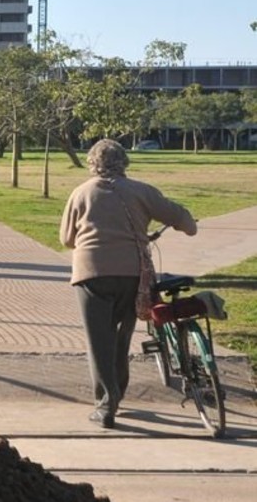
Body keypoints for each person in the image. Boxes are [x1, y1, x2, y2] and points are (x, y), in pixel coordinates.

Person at [59, 139, 197, 429]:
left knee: (100, 341)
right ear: (124, 162)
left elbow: (66, 239)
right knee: (121, 338)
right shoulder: (141, 191)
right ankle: (116, 393)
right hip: (132, 275)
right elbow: (180, 217)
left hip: (91, 274)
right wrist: (188, 224)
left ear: (92, 163)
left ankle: (106, 406)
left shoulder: (80, 193)